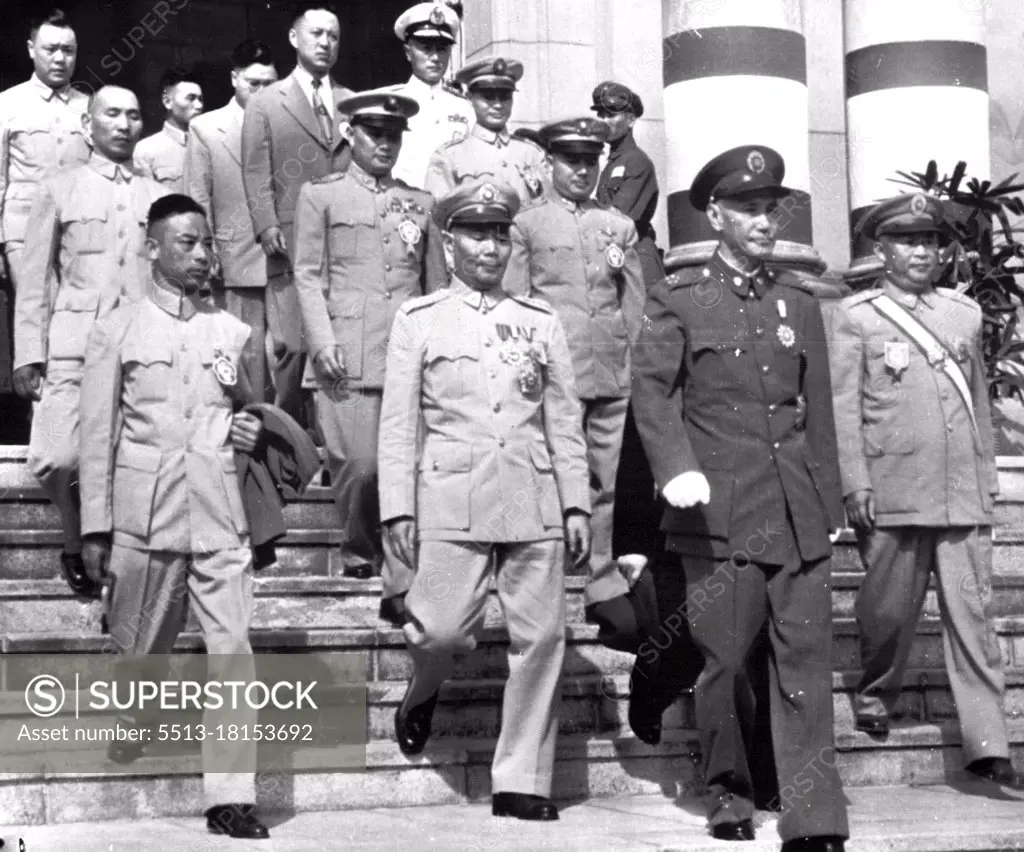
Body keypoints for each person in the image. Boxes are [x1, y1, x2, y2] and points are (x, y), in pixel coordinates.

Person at [630, 145, 848, 851]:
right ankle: (729, 792)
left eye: (770, 207)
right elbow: (653, 395)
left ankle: (814, 818)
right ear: (715, 214)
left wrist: (832, 505)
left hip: (795, 511)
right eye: (747, 208)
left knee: (807, 665)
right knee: (724, 664)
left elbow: (815, 409)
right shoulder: (680, 299)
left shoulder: (798, 304)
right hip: (717, 516)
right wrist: (675, 467)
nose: (762, 219)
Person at [378, 179, 590, 822]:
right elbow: (397, 423)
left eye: (500, 234)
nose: (491, 247)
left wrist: (576, 502)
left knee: (543, 638)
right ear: (448, 242)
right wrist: (398, 508)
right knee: (441, 629)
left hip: (531, 493)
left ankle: (521, 779)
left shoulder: (539, 321)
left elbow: (564, 418)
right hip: (450, 494)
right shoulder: (418, 319)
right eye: (476, 233)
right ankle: (424, 689)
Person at [78, 193, 268, 840]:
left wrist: (248, 427)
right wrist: (95, 527)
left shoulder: (234, 333)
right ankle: (136, 717)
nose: (201, 254)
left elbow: (255, 415)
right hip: (146, 514)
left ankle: (231, 796)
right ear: (152, 249)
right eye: (185, 243)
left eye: (206, 243)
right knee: (140, 646)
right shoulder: (118, 329)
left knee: (232, 651)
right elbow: (97, 435)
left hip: (219, 511)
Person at [828, 193, 1024, 789]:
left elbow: (979, 407)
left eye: (931, 241)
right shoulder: (856, 317)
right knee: (887, 611)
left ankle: (988, 743)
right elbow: (842, 409)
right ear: (881, 250)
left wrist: (987, 478)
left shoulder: (963, 314)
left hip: (960, 490)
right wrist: (854, 482)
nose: (922, 251)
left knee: (973, 616)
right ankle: (875, 691)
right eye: (908, 241)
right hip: (892, 489)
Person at [13, 86, 170, 599]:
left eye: (133, 114)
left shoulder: (159, 196)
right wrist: (28, 352)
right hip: (72, 349)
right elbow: (35, 278)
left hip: (142, 350)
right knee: (57, 457)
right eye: (112, 114)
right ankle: (75, 536)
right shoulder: (59, 188)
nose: (124, 124)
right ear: (88, 126)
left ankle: (115, 557)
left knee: (132, 456)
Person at [292, 90, 444, 608]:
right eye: (374, 133)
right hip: (345, 356)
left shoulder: (421, 204)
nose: (385, 143)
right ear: (349, 134)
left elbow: (435, 287)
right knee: (360, 465)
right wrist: (322, 341)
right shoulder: (321, 195)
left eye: (394, 135)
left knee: (406, 469)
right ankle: (360, 547)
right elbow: (307, 276)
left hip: (406, 354)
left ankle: (399, 581)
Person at [504, 116, 644, 617]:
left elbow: (633, 303)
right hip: (552, 374)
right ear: (551, 163)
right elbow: (516, 300)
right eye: (571, 160)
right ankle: (548, 573)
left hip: (609, 368)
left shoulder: (618, 226)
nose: (582, 170)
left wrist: (633, 360)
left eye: (590, 161)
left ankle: (601, 578)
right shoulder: (527, 224)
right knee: (552, 473)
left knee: (604, 479)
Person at [241, 0, 354, 423]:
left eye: (334, 36)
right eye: (317, 34)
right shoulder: (268, 102)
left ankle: (332, 439)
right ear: (294, 38)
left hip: (341, 244)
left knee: (336, 339)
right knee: (290, 346)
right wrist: (266, 224)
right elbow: (255, 169)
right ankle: (288, 441)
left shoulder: (351, 102)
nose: (326, 43)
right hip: (288, 243)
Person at [0, 9, 90, 443]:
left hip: (74, 236)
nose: (60, 58)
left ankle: (66, 435)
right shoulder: (8, 104)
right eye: (51, 48)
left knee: (71, 326)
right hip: (22, 234)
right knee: (36, 325)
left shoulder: (89, 107)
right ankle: (44, 438)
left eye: (68, 50)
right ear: (31, 49)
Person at [185, 39, 279, 402]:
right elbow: (198, 197)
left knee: (285, 355)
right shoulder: (206, 129)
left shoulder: (286, 126)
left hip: (285, 259)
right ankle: (248, 429)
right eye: (253, 83)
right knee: (245, 353)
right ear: (234, 79)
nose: (261, 92)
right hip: (235, 259)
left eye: (269, 84)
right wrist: (206, 253)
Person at [424, 57, 547, 204]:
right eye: (488, 97)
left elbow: (548, 211)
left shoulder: (531, 154)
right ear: (470, 98)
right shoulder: (449, 157)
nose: (498, 105)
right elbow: (439, 215)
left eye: (505, 97)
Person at [386, 2, 474, 189]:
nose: (435, 57)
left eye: (442, 49)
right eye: (426, 48)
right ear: (408, 53)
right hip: (405, 207)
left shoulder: (465, 107)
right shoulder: (391, 103)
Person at [591, 80, 664, 287]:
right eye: (601, 114)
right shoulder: (612, 163)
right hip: (616, 256)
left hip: (637, 262)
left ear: (630, 119)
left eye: (611, 114)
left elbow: (619, 220)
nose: (604, 120)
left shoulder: (636, 161)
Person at [134, 66, 204, 192]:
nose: (199, 106)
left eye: (201, 99)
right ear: (167, 101)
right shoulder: (145, 151)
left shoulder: (208, 146)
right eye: (191, 98)